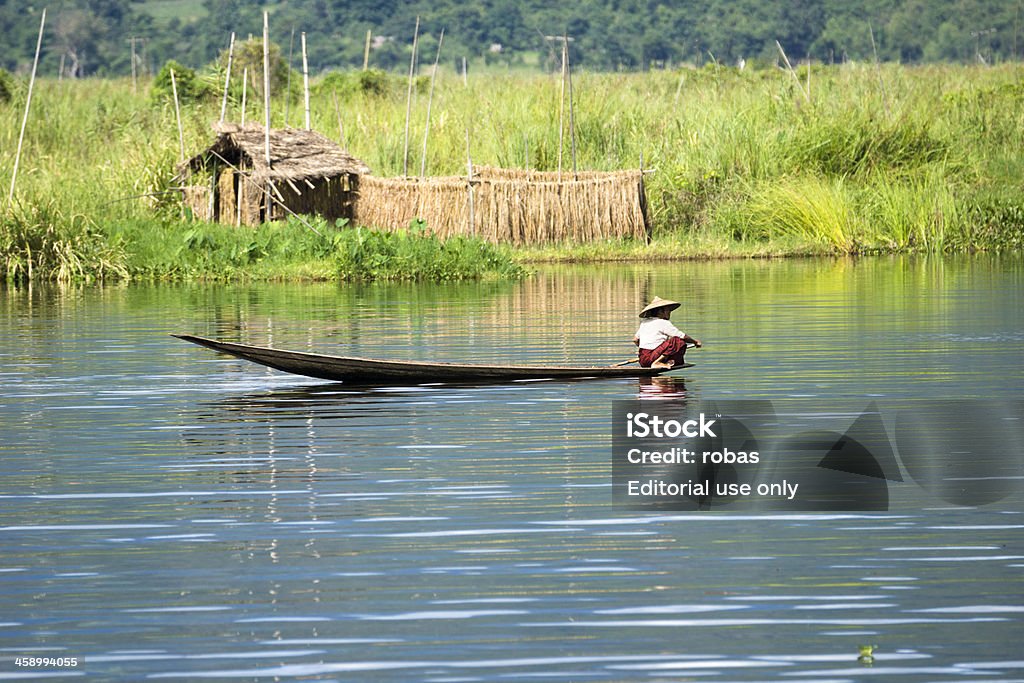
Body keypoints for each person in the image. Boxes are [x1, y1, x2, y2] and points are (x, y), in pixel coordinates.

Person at [633, 296, 702, 369]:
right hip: (652, 358)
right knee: (678, 341)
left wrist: (647, 349)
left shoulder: (644, 322)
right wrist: (695, 342)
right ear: (660, 312)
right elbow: (682, 336)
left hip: (643, 360)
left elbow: (635, 340)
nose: (669, 312)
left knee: (676, 352)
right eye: (667, 310)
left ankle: (661, 361)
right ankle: (657, 362)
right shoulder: (663, 322)